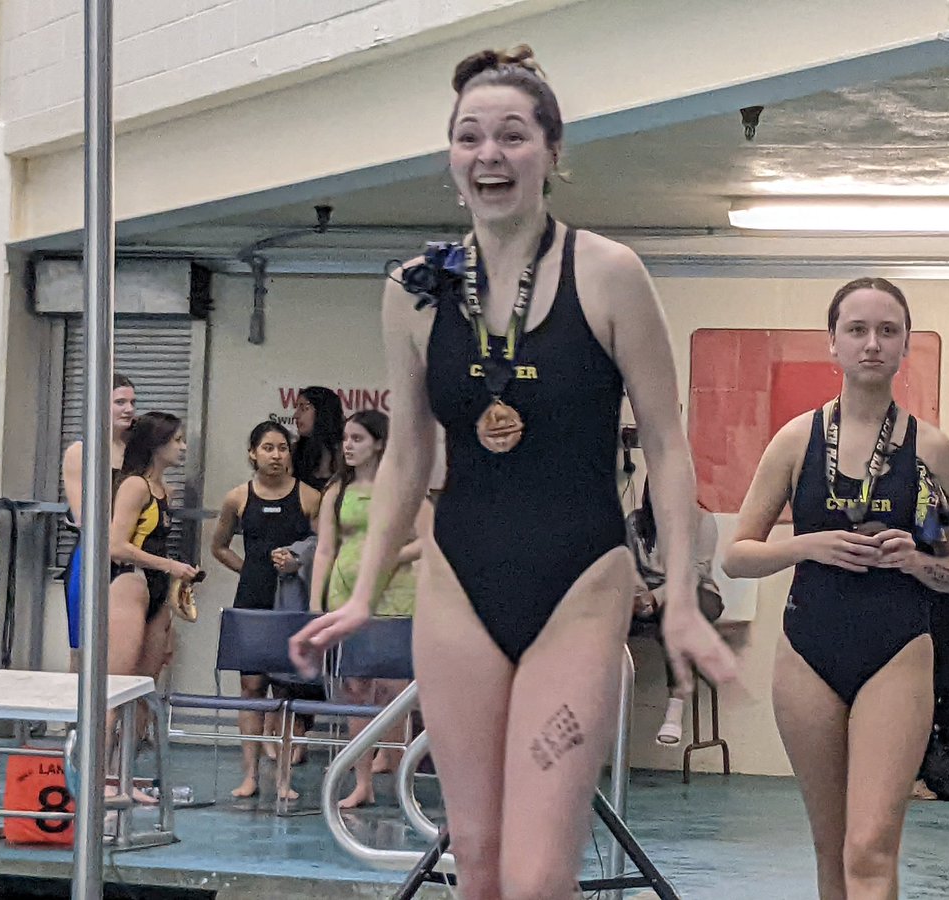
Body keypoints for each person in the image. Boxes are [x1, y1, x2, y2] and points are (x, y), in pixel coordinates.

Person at [289, 45, 735, 899]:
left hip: (580, 583)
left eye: (513, 136)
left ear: (554, 154)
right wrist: (359, 591)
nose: (490, 154)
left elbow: (670, 446)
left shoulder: (609, 274)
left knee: (537, 877)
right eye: (470, 137)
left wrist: (680, 596)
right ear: (451, 159)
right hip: (460, 579)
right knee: (481, 863)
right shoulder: (415, 290)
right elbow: (410, 452)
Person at [722, 277, 949, 900]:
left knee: (869, 849)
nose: (871, 344)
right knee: (831, 855)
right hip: (810, 650)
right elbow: (736, 556)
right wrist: (809, 545)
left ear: (905, 345)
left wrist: (917, 560)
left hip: (897, 650)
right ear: (832, 343)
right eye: (856, 330)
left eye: (887, 331)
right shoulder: (795, 440)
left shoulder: (931, 449)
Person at [308, 409, 427, 808]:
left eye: (358, 438)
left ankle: (396, 769)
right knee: (354, 692)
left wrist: (391, 558)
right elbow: (324, 549)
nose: (348, 446)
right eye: (345, 438)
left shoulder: (404, 486)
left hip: (395, 598)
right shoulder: (337, 489)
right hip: (347, 597)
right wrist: (316, 603)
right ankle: (361, 781)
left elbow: (429, 539)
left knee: (393, 695)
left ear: (379, 443)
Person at [212, 421, 321, 800]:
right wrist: (251, 569)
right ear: (252, 453)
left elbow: (324, 548)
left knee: (287, 689)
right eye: (268, 448)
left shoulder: (309, 497)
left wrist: (297, 563)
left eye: (282, 448)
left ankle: (284, 779)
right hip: (253, 598)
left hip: (291, 601)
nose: (276, 455)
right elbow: (220, 546)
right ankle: (250, 775)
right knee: (251, 686)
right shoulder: (237, 498)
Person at [107, 411, 199, 799]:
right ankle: (99, 778)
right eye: (176, 440)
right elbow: (115, 545)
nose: (181, 447)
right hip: (130, 583)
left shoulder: (165, 491)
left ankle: (123, 775)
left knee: (144, 691)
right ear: (156, 443)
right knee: (116, 688)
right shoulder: (134, 487)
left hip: (158, 590)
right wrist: (169, 565)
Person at [626, 478, 722, 746]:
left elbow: (696, 571)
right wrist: (637, 596)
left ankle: (675, 707)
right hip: (646, 594)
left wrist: (656, 598)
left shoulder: (702, 521)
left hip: (696, 593)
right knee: (603, 612)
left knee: (675, 613)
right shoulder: (635, 523)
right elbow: (628, 562)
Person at [61, 372, 136, 660]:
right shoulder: (82, 451)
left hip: (130, 558)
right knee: (84, 653)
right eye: (120, 402)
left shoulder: (135, 452)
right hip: (94, 558)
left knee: (122, 655)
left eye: (132, 402)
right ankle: (76, 705)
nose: (128, 409)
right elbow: (84, 516)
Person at [291, 386, 345, 492]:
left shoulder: (345, 453)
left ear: (323, 412)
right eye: (297, 408)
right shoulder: (294, 452)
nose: (295, 415)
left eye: (303, 409)